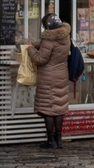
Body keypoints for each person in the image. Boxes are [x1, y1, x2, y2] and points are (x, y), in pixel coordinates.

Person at [25, 11, 71, 151]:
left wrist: (30, 48)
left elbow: (40, 59)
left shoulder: (48, 39)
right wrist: (36, 44)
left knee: (48, 110)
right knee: (59, 108)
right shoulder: (65, 36)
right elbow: (50, 48)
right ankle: (59, 139)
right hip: (62, 75)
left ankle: (51, 140)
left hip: (48, 78)